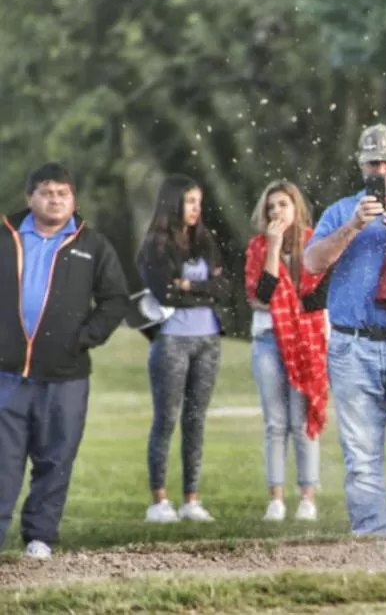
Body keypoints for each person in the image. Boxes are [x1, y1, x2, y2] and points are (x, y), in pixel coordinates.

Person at [303, 124, 386, 535]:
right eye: (371, 163)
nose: (379, 170)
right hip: (352, 346)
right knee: (361, 457)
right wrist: (353, 227)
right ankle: (371, 542)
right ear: (360, 166)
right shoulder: (341, 210)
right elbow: (311, 264)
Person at [0, 162, 129, 559]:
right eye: (47, 192)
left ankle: (40, 537)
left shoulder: (92, 244)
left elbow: (115, 299)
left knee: (56, 458)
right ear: (30, 197)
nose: (56, 199)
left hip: (66, 376)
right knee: (2, 464)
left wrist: (85, 337)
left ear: (72, 199)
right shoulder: (5, 237)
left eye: (63, 193)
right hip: (7, 375)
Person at [138, 175, 231, 523]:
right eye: (190, 201)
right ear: (173, 203)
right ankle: (159, 500)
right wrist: (198, 290)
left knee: (196, 420)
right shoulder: (155, 246)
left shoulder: (206, 239)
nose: (196, 209)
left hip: (208, 340)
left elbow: (224, 288)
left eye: (198, 202)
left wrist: (190, 285)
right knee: (166, 419)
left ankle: (191, 499)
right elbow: (164, 294)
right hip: (172, 341)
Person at [245, 180, 329, 521]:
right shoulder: (258, 247)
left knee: (302, 421)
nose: (277, 212)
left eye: (282, 205)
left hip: (305, 343)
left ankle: (307, 495)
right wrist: (273, 247)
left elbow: (316, 298)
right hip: (267, 342)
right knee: (275, 423)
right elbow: (261, 296)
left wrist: (290, 305)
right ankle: (276, 497)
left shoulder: (314, 244)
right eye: (271, 207)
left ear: (296, 208)